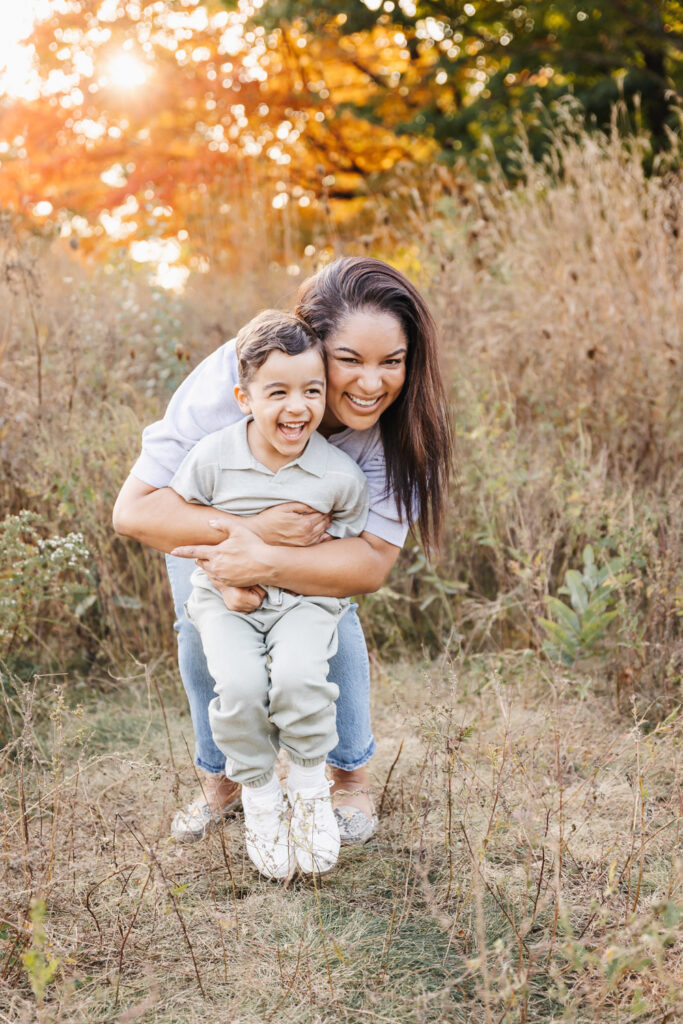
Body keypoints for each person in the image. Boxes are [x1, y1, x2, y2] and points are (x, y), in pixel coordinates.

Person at [112, 256, 452, 846]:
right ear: (311, 344)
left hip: (311, 533)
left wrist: (268, 560)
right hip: (206, 513)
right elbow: (136, 511)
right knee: (199, 632)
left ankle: (348, 778)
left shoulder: (401, 427)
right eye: (349, 360)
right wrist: (251, 535)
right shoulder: (236, 379)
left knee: (334, 618)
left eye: (391, 362)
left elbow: (369, 563)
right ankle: (220, 782)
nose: (372, 384)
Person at [170, 310, 369, 877]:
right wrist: (230, 572)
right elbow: (182, 526)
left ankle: (308, 791)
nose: (297, 406)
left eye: (311, 390)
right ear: (243, 396)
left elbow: (347, 550)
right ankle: (260, 797)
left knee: (301, 679)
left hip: (304, 600)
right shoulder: (211, 458)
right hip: (226, 599)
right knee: (238, 686)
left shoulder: (338, 477)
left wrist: (301, 576)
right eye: (277, 391)